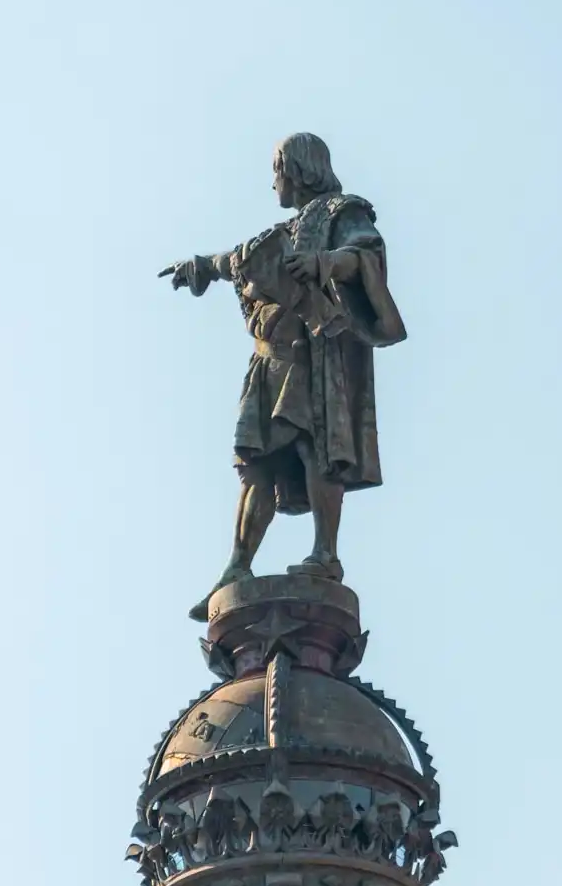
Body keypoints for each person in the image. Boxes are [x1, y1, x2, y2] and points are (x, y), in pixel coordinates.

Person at [160, 133, 405, 617]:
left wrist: (324, 262)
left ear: (295, 170)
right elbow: (235, 261)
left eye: (277, 172)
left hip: (317, 354)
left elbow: (365, 255)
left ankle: (325, 556)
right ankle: (237, 565)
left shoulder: (342, 212)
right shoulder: (279, 236)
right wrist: (201, 267)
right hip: (270, 358)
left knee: (314, 444)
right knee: (257, 464)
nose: (274, 183)